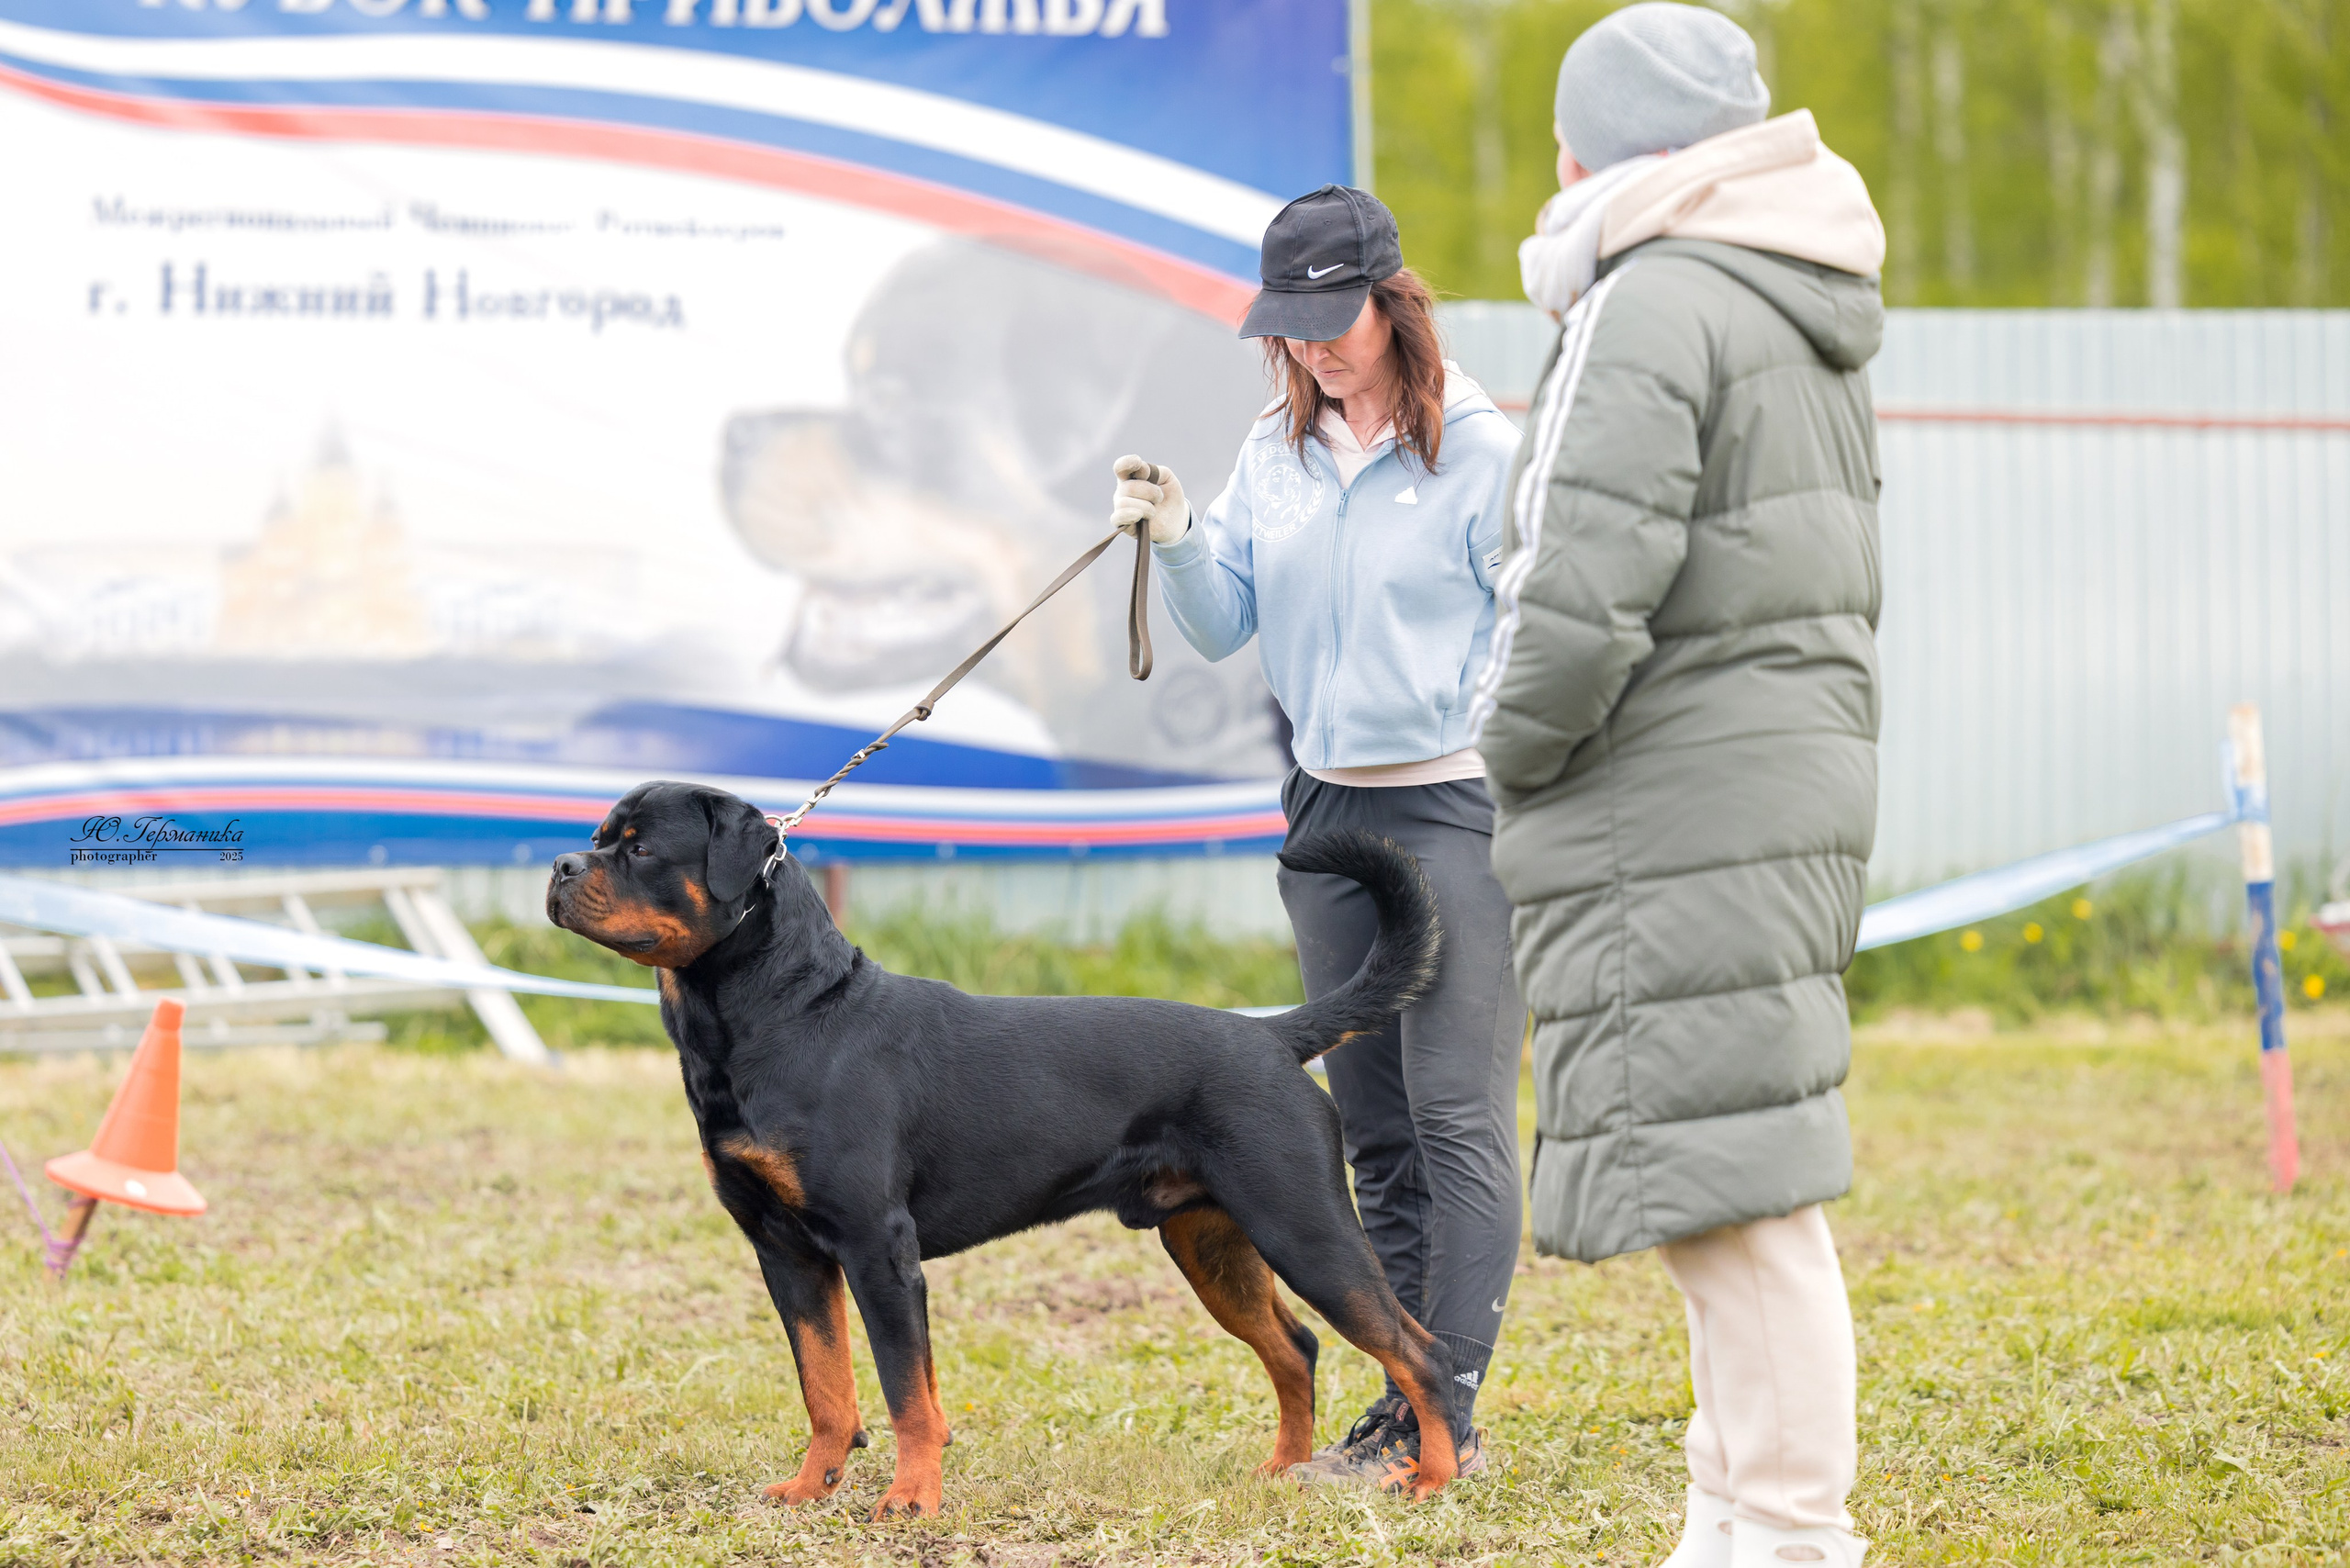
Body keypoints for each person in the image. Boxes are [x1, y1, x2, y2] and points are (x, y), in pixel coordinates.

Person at [1469, 6, 1886, 1566]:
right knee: (1731, 1174)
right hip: (1768, 778)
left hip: (1677, 794)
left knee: (1735, 1205)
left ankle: (1784, 1532)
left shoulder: (1650, 297)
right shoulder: (1778, 285)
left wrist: (1501, 749)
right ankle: (1735, 1513)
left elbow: (1571, 593)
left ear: (1606, 150)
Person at [1109, 185, 1524, 1490]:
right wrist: (1179, 536)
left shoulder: (1484, 453)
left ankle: (1447, 1413)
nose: (1311, 347)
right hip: (1329, 813)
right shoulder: (1274, 450)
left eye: (1332, 319)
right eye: (1287, 325)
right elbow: (1222, 623)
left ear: (1392, 303)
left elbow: (1535, 631)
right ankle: (1402, 1398)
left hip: (1454, 804)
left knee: (1455, 1117)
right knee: (1376, 1129)